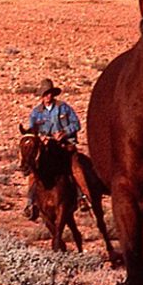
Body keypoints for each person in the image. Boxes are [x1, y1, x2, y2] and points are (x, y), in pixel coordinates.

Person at [23, 78, 93, 220]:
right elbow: (32, 130)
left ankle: (83, 197)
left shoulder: (63, 107)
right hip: (47, 149)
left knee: (75, 168)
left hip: (65, 146)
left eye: (50, 93)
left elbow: (76, 124)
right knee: (33, 172)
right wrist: (41, 138)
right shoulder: (36, 113)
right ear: (42, 96)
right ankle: (30, 203)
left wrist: (64, 132)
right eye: (45, 93)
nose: (48, 96)